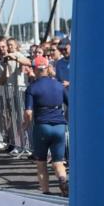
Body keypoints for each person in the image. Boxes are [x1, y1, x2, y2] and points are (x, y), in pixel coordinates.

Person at [24, 56, 69, 197]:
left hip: (42, 126)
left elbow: (28, 112)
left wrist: (26, 123)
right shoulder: (59, 86)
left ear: (35, 69)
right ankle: (62, 179)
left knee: (41, 162)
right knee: (58, 161)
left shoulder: (32, 88)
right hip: (59, 126)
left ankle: (46, 191)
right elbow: (70, 103)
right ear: (48, 68)